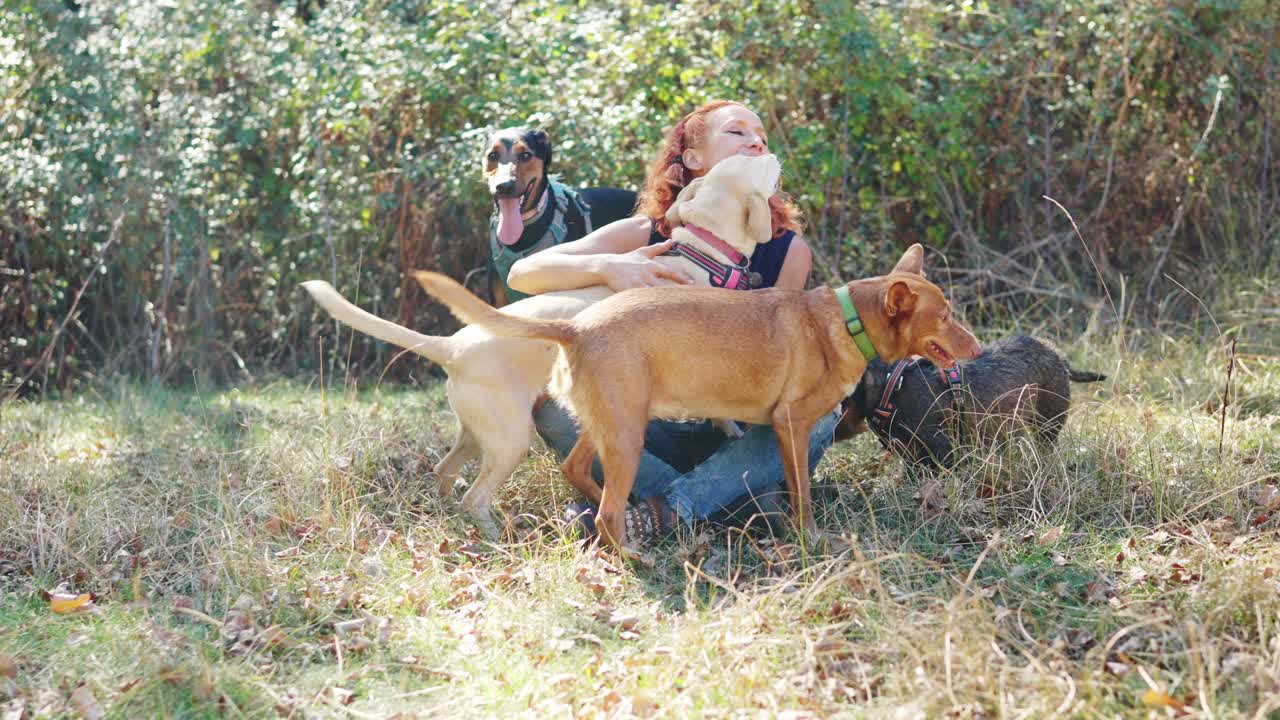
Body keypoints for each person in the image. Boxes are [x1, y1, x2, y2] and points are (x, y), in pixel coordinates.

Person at [507, 100, 840, 545]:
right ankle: (725, 503)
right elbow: (522, 274)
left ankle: (667, 512)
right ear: (693, 158)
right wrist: (610, 267)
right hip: (645, 431)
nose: (756, 140)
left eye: (761, 135)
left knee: (822, 410)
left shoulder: (786, 251)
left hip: (732, 436)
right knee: (549, 401)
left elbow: (786, 372)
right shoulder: (651, 232)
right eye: (737, 132)